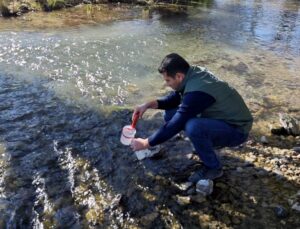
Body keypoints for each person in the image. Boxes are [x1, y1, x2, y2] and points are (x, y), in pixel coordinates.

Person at [130, 53, 253, 182]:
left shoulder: (198, 92)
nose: (166, 84)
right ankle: (206, 141)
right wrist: (148, 105)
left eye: (167, 80)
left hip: (238, 130)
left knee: (193, 127)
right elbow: (175, 98)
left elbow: (176, 123)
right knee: (170, 113)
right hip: (221, 119)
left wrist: (146, 143)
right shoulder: (192, 73)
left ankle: (214, 168)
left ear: (179, 76)